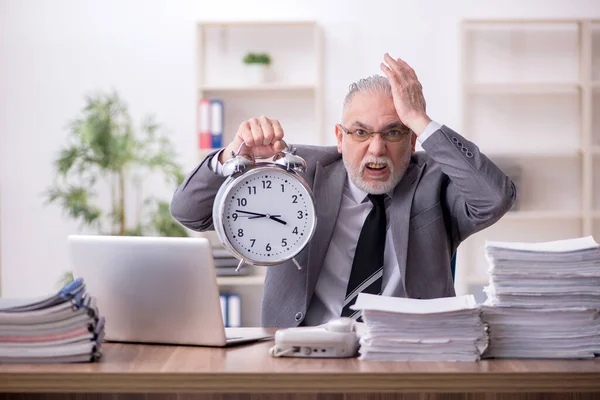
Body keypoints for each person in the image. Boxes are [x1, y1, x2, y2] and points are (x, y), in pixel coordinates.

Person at [170, 53, 516, 328]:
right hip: (303, 355)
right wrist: (234, 156)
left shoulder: (435, 179)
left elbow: (495, 197)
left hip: (411, 355)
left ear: (412, 141)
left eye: (393, 133)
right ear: (340, 137)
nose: (377, 149)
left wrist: (420, 119)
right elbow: (189, 213)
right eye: (361, 133)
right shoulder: (299, 172)